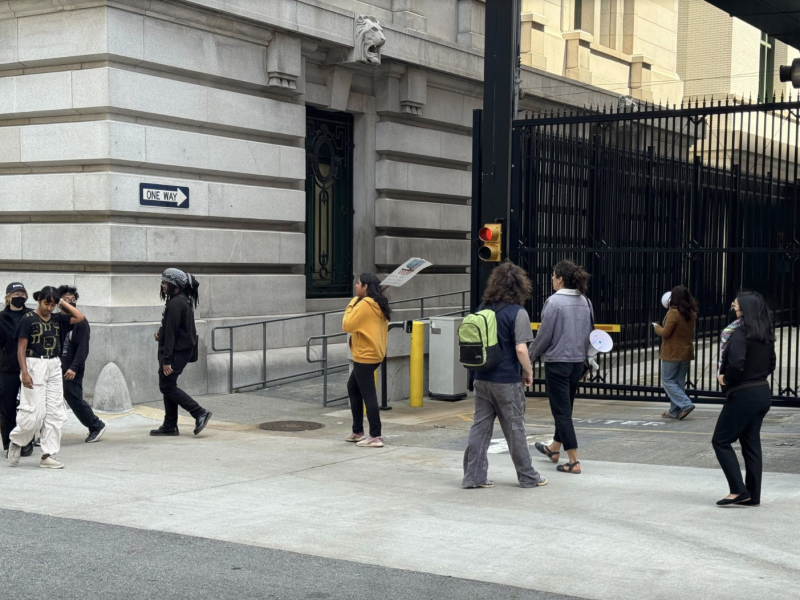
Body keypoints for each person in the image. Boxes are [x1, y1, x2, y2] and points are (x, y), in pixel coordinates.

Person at [462, 262, 547, 489]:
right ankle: (528, 476)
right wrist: (529, 372)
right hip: (506, 380)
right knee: (515, 429)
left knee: (480, 428)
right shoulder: (518, 313)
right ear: (521, 286)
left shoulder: (483, 307)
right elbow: (521, 349)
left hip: (481, 377)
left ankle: (474, 476)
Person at [7, 286, 85, 468]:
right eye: (46, 303)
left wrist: (62, 301)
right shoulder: (28, 319)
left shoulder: (58, 319)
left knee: (56, 412)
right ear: (39, 300)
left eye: (53, 304)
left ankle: (47, 455)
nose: (49, 308)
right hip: (34, 364)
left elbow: (80, 317)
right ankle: (17, 440)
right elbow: (21, 349)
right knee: (35, 412)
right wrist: (24, 372)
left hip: (54, 364)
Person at [529, 260, 593, 475]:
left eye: (553, 276)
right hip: (577, 362)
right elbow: (589, 333)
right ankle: (554, 449)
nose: (552, 279)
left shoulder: (554, 302)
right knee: (566, 407)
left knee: (561, 411)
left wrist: (530, 355)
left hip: (557, 362)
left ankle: (573, 461)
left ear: (561, 279)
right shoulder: (585, 301)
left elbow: (544, 335)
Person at [713, 292, 775, 507]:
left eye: (736, 305)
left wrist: (725, 378)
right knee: (751, 443)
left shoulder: (739, 333)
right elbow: (771, 364)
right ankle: (753, 494)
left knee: (721, 441)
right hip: (761, 392)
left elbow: (736, 364)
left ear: (745, 309)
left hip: (742, 394)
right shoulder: (764, 333)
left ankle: (738, 490)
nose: (733, 307)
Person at [150, 269, 212, 437]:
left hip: (175, 353)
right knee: (168, 385)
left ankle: (199, 412)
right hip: (180, 351)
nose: (162, 286)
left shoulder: (175, 304)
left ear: (175, 285)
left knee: (167, 386)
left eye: (165, 283)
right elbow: (172, 330)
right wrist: (160, 334)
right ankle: (170, 424)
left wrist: (167, 360)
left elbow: (171, 335)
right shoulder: (182, 300)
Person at [342, 273, 390, 448]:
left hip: (365, 356)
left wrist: (352, 302)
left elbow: (347, 325)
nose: (356, 286)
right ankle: (357, 431)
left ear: (366, 287)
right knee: (353, 388)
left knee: (368, 395)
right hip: (374, 354)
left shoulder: (365, 305)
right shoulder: (380, 303)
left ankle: (375, 435)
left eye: (359, 283)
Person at [57, 286, 106, 443]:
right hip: (54, 366)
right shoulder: (56, 319)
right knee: (48, 400)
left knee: (73, 397)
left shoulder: (81, 323)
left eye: (73, 299)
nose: (71, 302)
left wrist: (74, 368)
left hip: (71, 368)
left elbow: (83, 348)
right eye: (66, 300)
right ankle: (47, 433)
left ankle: (95, 425)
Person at [653, 286, 698, 420]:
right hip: (686, 351)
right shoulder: (692, 312)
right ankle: (674, 411)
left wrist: (656, 327)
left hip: (672, 352)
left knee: (667, 381)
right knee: (678, 382)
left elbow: (666, 333)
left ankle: (686, 404)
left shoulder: (674, 312)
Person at [1, 282, 34, 459]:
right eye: (16, 293)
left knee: (28, 407)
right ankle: (8, 442)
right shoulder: (1, 317)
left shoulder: (30, 315)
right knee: (7, 407)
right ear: (8, 297)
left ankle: (27, 441)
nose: (19, 296)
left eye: (22, 293)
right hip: (7, 369)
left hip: (30, 368)